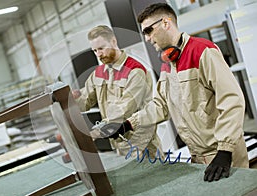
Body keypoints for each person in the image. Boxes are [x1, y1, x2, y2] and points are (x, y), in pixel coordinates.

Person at [99, 3, 249, 182]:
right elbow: (161, 105)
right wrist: (128, 124)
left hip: (223, 155)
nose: (147, 38)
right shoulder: (167, 65)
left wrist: (225, 150)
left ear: (165, 23)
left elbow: (232, 101)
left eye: (148, 31)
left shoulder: (202, 51)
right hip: (198, 157)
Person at [72, 25, 164, 159]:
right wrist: (69, 100)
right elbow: (85, 101)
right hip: (119, 145)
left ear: (113, 41)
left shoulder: (135, 71)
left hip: (141, 144)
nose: (98, 54)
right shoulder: (98, 73)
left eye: (101, 48)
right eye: (95, 51)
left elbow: (124, 109)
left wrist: (96, 133)